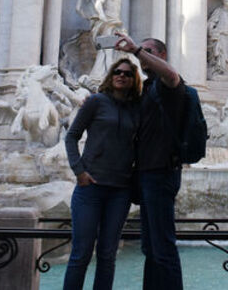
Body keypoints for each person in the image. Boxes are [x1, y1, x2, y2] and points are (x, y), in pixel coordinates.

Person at [113, 34, 186, 290]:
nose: (140, 56)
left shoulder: (168, 85)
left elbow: (173, 76)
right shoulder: (148, 88)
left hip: (161, 172)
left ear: (161, 55)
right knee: (150, 246)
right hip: (145, 175)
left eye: (147, 51)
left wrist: (135, 50)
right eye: (140, 51)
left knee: (162, 246)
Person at [63, 57, 143, 290]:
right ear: (111, 75)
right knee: (81, 254)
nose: (121, 76)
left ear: (133, 79)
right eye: (118, 72)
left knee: (108, 255)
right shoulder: (96, 102)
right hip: (91, 187)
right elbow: (71, 136)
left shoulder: (135, 109)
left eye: (128, 74)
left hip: (120, 190)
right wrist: (79, 171)